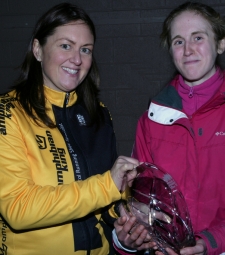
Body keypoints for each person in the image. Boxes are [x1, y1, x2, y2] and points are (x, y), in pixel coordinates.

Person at [113, 1, 225, 255]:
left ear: (220, 43)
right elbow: (141, 202)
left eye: (198, 37)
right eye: (178, 41)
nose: (188, 49)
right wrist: (128, 237)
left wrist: (208, 244)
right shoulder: (152, 118)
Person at [0, 3, 140, 255]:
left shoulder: (98, 113)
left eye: (85, 49)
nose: (77, 59)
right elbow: (18, 208)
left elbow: (107, 198)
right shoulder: (7, 112)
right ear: (37, 49)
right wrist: (107, 185)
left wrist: (127, 219)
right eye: (65, 45)